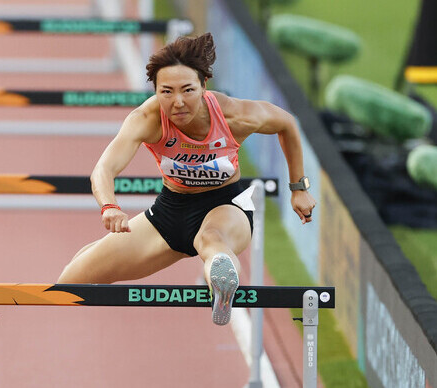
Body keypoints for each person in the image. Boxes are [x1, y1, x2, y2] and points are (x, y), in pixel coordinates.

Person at [57, 33, 316, 325]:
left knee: (211, 239)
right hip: (170, 213)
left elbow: (287, 124)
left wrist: (298, 188)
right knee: (68, 285)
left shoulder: (233, 116)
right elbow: (103, 170)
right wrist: (110, 206)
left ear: (204, 86)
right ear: (155, 91)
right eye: (166, 92)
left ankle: (222, 284)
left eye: (187, 90)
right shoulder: (147, 119)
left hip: (227, 206)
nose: (177, 102)